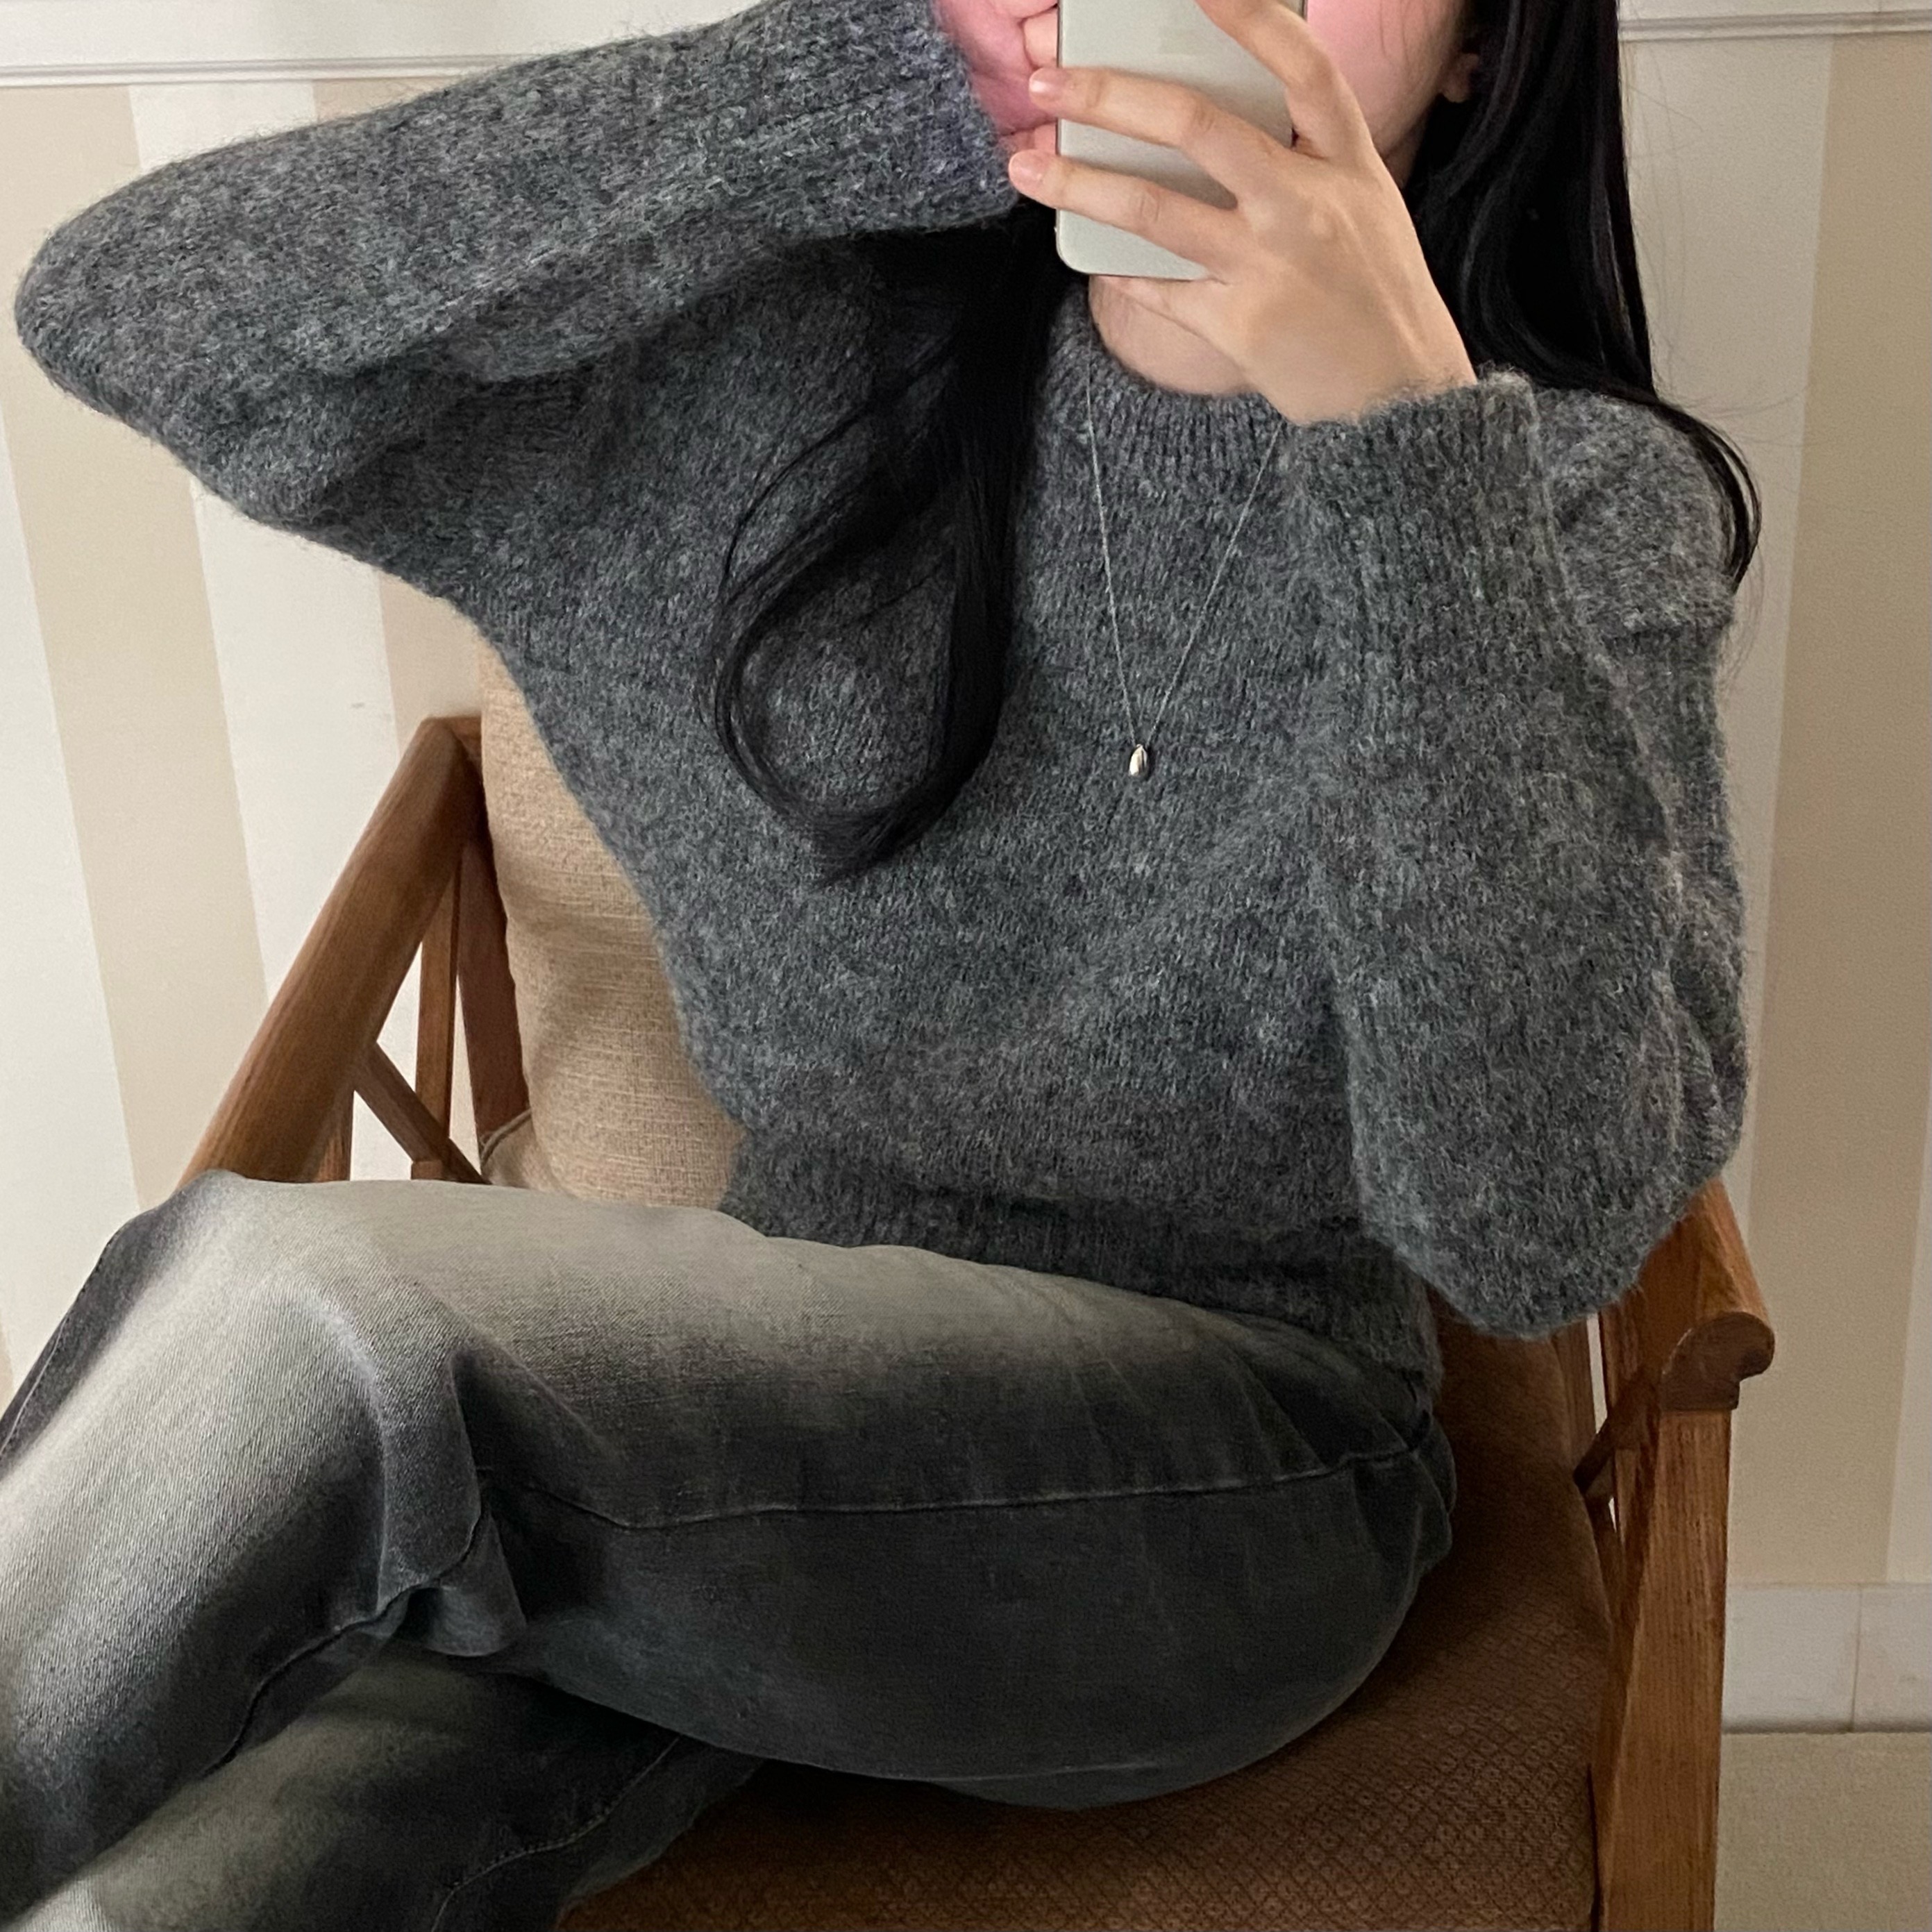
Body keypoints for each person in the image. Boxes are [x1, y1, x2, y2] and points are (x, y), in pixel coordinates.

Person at [1, 0, 1761, 1922]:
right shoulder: (787, 397)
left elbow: (1532, 1232)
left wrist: (1406, 452)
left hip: (1232, 1481)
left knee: (308, 1313)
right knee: (174, 1881)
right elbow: (132, 312)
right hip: (720, 1425)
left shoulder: (1563, 511)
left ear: (1488, 49)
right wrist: (861, 80)